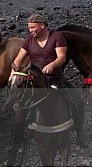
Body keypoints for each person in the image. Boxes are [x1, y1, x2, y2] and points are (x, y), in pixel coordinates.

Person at [11, 13, 87, 147]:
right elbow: (18, 59)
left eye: (33, 27)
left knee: (78, 102)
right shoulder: (29, 41)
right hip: (35, 81)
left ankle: (79, 135)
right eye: (29, 28)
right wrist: (15, 70)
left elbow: (61, 57)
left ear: (42, 25)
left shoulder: (57, 37)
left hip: (55, 79)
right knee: (19, 103)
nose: (30, 31)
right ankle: (18, 136)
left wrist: (52, 65)